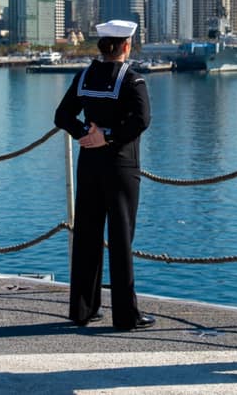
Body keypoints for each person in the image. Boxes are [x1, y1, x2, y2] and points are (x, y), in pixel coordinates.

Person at [54, 19, 155, 331]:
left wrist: (87, 132)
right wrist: (108, 136)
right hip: (121, 166)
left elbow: (62, 116)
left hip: (89, 165)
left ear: (101, 46)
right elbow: (142, 120)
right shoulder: (133, 80)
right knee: (122, 239)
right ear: (127, 45)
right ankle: (126, 315)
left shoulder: (84, 76)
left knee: (87, 236)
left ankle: (83, 309)